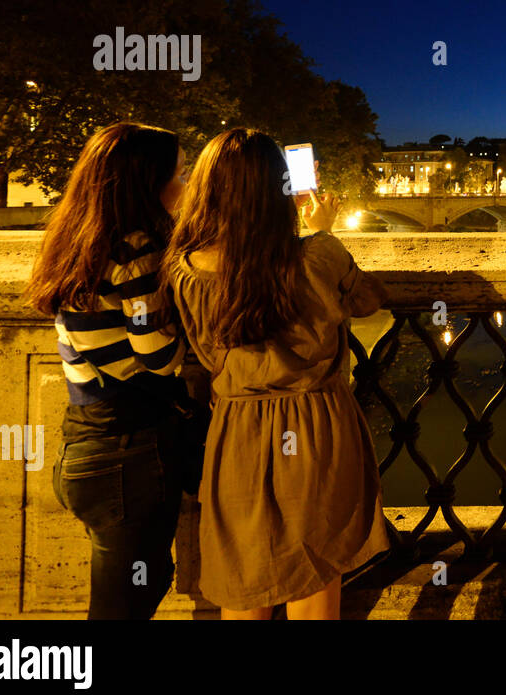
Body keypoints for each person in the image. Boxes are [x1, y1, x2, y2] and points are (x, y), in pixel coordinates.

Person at [163, 128, 391, 619]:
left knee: (248, 575)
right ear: (280, 189)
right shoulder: (317, 257)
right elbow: (369, 301)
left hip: (238, 429)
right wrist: (323, 232)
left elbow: (199, 347)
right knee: (316, 565)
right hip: (318, 426)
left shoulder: (185, 271)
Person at [25, 122, 189, 619]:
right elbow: (159, 357)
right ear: (148, 182)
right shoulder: (137, 250)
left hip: (85, 446)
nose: (187, 186)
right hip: (129, 455)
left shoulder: (76, 240)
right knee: (124, 606)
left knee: (130, 592)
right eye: (181, 174)